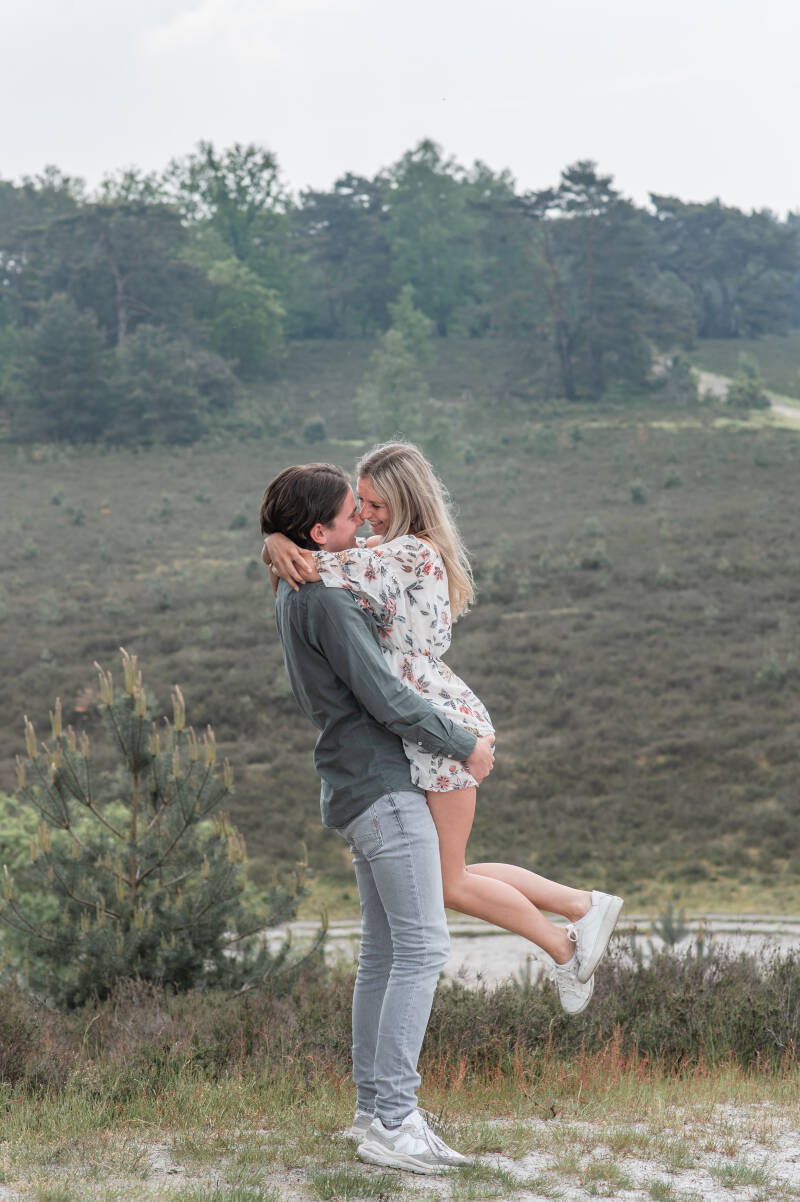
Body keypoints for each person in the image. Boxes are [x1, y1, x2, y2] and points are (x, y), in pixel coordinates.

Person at [264, 442, 624, 1019]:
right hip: (429, 713)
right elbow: (324, 550)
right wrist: (278, 539)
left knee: (448, 881)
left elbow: (317, 559)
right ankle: (581, 907)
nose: (364, 516)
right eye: (359, 505)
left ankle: (566, 944)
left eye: (374, 505)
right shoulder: (392, 549)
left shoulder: (409, 553)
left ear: (403, 501)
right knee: (446, 870)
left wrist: (275, 541)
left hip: (435, 718)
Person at [259, 461, 496, 1174]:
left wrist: (271, 538)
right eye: (350, 515)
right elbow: (387, 697)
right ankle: (395, 1119)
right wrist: (466, 745)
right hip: (385, 787)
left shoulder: (299, 587)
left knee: (385, 953)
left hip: (355, 786)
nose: (361, 523)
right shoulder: (328, 601)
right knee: (422, 949)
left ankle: (373, 1113)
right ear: (317, 531)